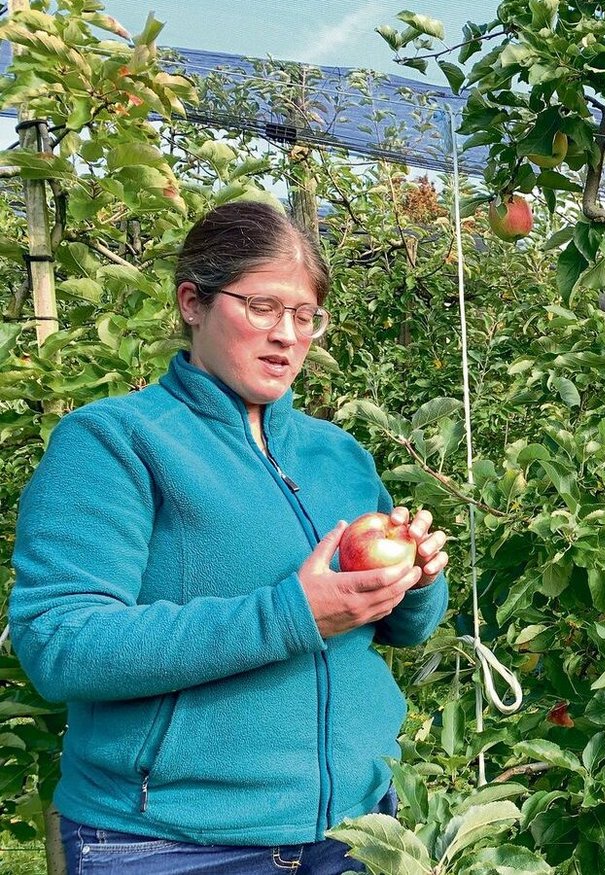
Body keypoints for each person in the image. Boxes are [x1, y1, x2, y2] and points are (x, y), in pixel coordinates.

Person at [7, 200, 450, 873]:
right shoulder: (116, 442)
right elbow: (61, 642)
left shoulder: (338, 453)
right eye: (263, 307)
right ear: (193, 302)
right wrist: (290, 614)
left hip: (356, 831)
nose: (288, 336)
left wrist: (415, 581)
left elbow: (401, 632)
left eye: (306, 316)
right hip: (171, 842)